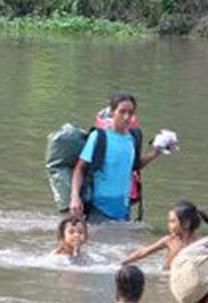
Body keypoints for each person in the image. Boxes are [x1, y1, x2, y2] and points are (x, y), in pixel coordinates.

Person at [69, 92, 168, 223]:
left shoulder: (133, 138)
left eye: (130, 113)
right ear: (112, 113)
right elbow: (79, 169)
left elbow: (133, 167)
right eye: (122, 112)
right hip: (98, 208)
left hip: (123, 209)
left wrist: (156, 153)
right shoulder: (99, 137)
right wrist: (75, 197)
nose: (126, 117)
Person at [123, 199, 208, 269]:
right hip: (167, 275)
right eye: (169, 221)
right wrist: (124, 262)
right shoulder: (169, 240)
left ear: (186, 223)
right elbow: (144, 252)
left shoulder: (198, 244)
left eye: (172, 221)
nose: (169, 225)